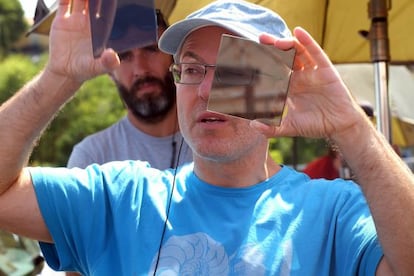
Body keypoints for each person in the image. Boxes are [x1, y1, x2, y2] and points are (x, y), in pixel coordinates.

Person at [0, 0, 413, 275]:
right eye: (192, 69)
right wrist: (56, 79)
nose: (204, 91)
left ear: (278, 89)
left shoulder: (334, 213)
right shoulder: (120, 197)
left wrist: (352, 129)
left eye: (235, 71)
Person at [66, 9, 192, 170]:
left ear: (175, 58)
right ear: (110, 73)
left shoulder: (217, 141)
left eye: (150, 49)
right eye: (124, 56)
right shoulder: (92, 159)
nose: (140, 69)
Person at [303, 102, 375, 180]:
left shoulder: (379, 168)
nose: (353, 134)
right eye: (348, 127)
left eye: (362, 127)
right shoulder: (315, 171)